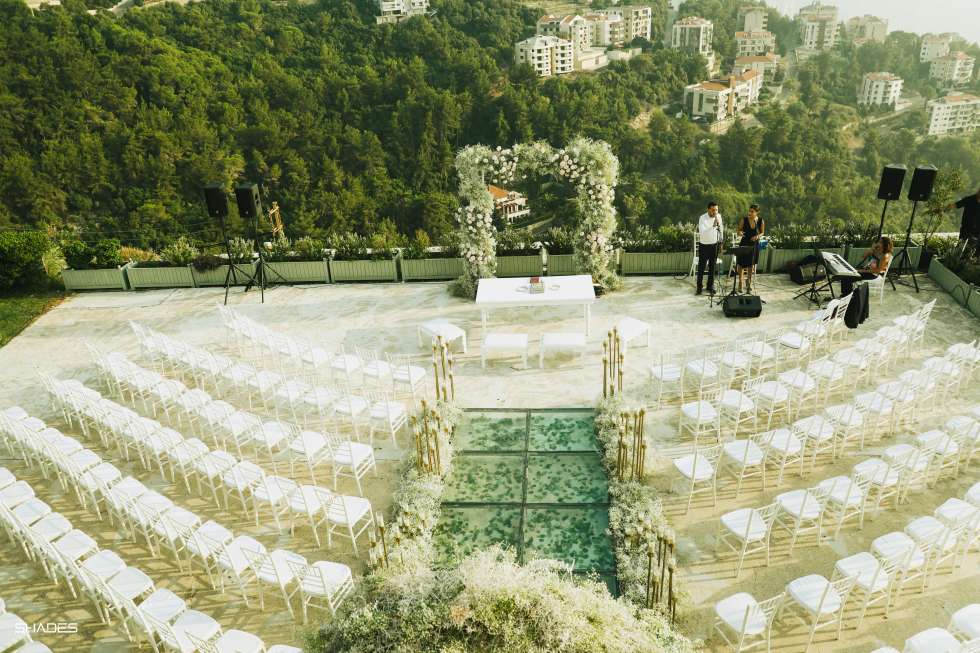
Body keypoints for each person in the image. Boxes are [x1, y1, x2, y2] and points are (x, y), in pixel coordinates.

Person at [736, 204, 765, 294]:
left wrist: (757, 236)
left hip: (754, 245)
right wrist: (740, 233)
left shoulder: (760, 221)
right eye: (749, 211)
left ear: (757, 212)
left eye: (752, 211)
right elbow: (738, 231)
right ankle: (740, 282)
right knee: (741, 264)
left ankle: (749, 282)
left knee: (751, 265)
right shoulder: (744, 220)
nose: (749, 213)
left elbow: (762, 232)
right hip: (744, 244)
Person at [696, 202, 723, 295]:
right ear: (708, 209)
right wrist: (713, 226)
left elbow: (721, 229)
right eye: (713, 210)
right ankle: (699, 287)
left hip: (714, 245)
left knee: (712, 267)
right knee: (701, 267)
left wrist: (721, 242)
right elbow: (703, 232)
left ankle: (710, 286)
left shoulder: (719, 216)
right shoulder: (702, 218)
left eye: (716, 210)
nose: (715, 212)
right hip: (704, 245)